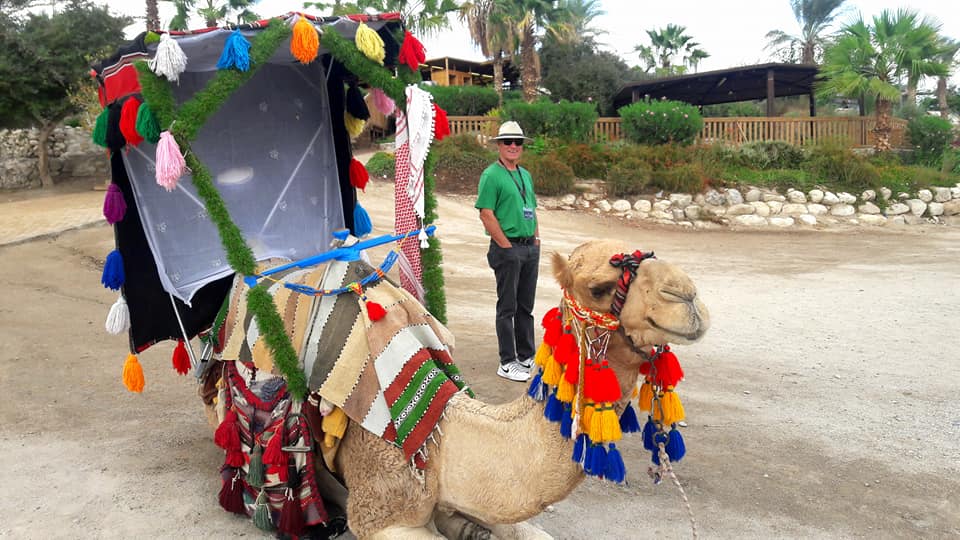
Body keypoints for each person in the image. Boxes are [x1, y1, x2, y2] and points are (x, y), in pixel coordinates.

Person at [475, 121, 540, 382]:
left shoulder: (525, 175)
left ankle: (526, 355)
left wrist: (536, 239)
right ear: (499, 145)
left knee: (526, 306)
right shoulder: (491, 175)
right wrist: (506, 245)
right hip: (508, 248)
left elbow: (532, 208)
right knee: (507, 307)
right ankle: (507, 361)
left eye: (518, 142)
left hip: (529, 247)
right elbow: (486, 214)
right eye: (508, 141)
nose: (513, 146)